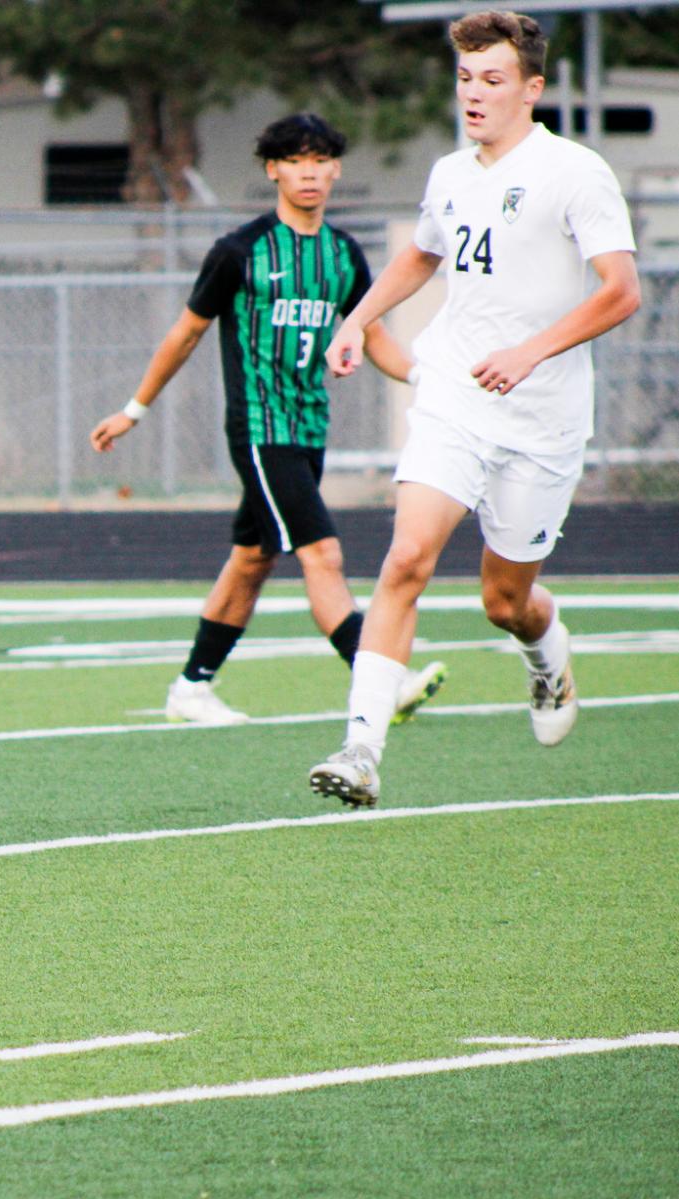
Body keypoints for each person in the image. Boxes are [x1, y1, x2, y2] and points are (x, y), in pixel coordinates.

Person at [310, 9, 639, 807]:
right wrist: (356, 319)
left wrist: (530, 352)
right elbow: (421, 255)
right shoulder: (450, 173)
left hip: (542, 418)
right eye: (463, 78)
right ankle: (361, 750)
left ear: (530, 89)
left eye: (491, 80)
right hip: (455, 392)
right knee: (405, 559)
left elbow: (621, 292)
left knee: (504, 601)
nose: (473, 94)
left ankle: (546, 656)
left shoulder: (575, 171)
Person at [91, 113, 444, 726]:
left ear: (335, 169)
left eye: (319, 160)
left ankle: (191, 688)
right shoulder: (240, 251)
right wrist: (134, 409)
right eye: (294, 160)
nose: (308, 172)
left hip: (308, 426)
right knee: (323, 555)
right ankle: (383, 680)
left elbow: (371, 332)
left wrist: (425, 380)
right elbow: (185, 334)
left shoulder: (342, 254)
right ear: (272, 170)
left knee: (252, 558)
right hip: (260, 426)